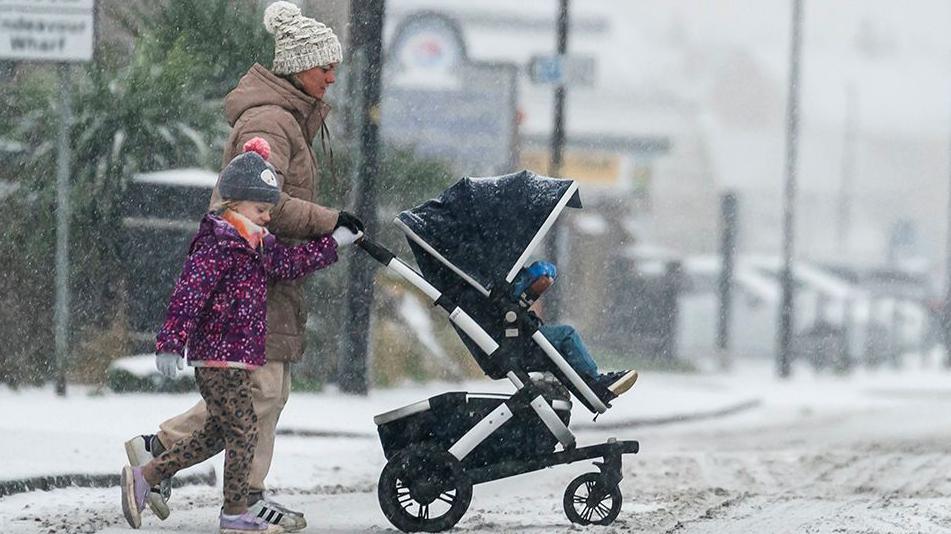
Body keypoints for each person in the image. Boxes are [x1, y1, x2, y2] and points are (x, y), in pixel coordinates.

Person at [123, 3, 357, 531]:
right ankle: (240, 498)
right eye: (325, 67)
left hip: (265, 276)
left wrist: (333, 239)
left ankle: (159, 454)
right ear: (299, 66)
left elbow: (268, 212)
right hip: (251, 283)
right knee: (262, 394)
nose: (333, 76)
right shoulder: (270, 123)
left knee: (258, 396)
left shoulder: (288, 118)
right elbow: (262, 201)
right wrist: (331, 221)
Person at [512, 261, 639, 401]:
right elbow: (515, 291)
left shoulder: (494, 275)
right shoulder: (502, 275)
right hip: (512, 342)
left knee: (558, 351)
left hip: (510, 340)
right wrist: (532, 275)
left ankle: (591, 386)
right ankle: (594, 383)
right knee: (566, 335)